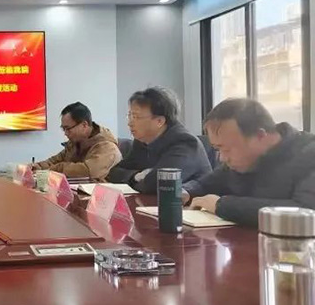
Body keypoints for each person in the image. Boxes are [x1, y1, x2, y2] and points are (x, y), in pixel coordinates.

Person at [183, 98, 315, 227]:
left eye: (227, 149)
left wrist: (221, 205)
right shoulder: (239, 162)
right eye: (218, 149)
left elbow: (307, 211)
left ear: (260, 136)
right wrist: (186, 192)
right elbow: (208, 183)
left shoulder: (309, 153)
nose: (222, 158)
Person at [108, 87, 212, 193]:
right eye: (130, 116)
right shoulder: (142, 141)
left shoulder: (185, 143)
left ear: (159, 121)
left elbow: (157, 185)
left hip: (189, 203)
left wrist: (137, 180)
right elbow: (113, 173)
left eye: (136, 117)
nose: (130, 123)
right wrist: (136, 176)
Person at [32, 102, 121, 180]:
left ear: (84, 125)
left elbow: (88, 171)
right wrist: (38, 166)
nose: (65, 133)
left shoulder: (107, 146)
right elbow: (56, 160)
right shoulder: (76, 142)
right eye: (63, 129)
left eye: (68, 129)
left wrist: (55, 169)